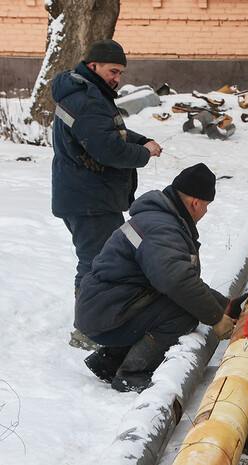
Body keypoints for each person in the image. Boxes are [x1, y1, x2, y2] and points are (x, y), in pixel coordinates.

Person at [75, 163, 241, 393]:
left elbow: (179, 279)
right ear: (196, 203)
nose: (206, 212)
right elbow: (177, 282)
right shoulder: (163, 228)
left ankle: (110, 360)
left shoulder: (158, 219)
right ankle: (131, 373)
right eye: (206, 206)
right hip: (107, 312)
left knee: (180, 301)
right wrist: (215, 317)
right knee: (183, 312)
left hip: (107, 306)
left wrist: (228, 306)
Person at [50, 39, 162, 349]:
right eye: (113, 71)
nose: (117, 78)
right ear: (93, 66)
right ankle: (86, 330)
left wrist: (142, 140)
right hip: (89, 200)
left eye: (121, 73)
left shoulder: (85, 93)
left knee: (97, 261)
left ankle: (92, 322)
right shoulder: (86, 99)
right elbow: (108, 149)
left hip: (87, 196)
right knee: (97, 264)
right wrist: (144, 153)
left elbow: (109, 132)